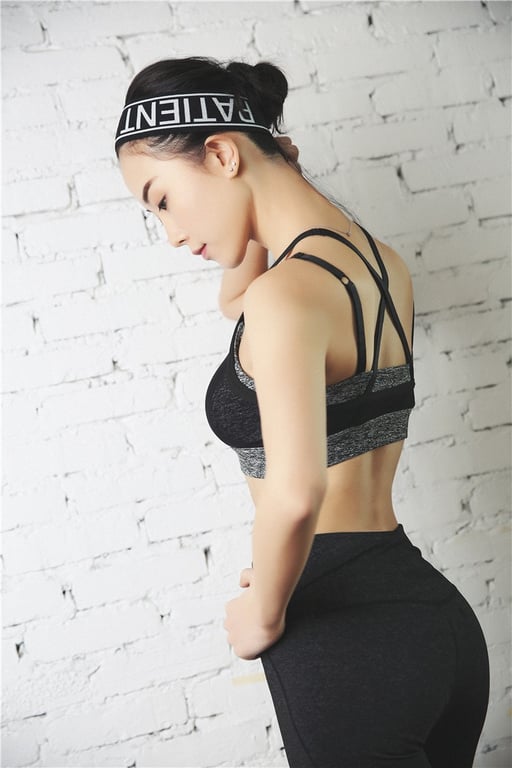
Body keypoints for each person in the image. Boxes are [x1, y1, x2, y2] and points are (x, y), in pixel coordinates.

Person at [115, 56, 490, 768]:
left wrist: (262, 617)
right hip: (434, 622)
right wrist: (269, 182)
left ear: (221, 154)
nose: (170, 232)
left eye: (161, 200)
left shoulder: (284, 299)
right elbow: (237, 300)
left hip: (345, 645)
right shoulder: (381, 264)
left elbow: (295, 495)